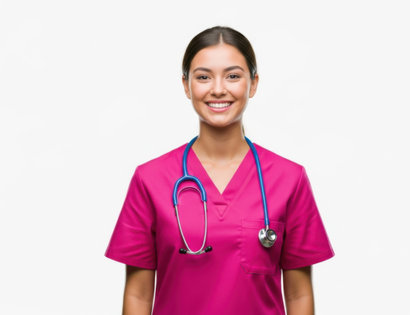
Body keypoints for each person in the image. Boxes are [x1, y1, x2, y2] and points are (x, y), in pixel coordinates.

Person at [105, 25, 335, 315]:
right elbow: (138, 296)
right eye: (203, 77)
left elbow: (299, 295)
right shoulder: (150, 179)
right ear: (186, 86)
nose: (217, 88)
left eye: (233, 76)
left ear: (253, 84)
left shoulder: (289, 179)